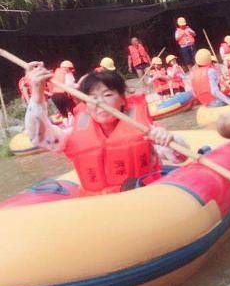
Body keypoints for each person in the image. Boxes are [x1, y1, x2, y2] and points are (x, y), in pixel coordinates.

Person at [23, 63, 182, 194]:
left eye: (107, 95)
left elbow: (179, 157)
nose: (100, 103)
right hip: (99, 209)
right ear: (86, 103)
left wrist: (168, 139)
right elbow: (38, 137)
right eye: (92, 97)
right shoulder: (71, 135)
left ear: (122, 99)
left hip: (143, 199)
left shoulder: (147, 131)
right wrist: (37, 93)